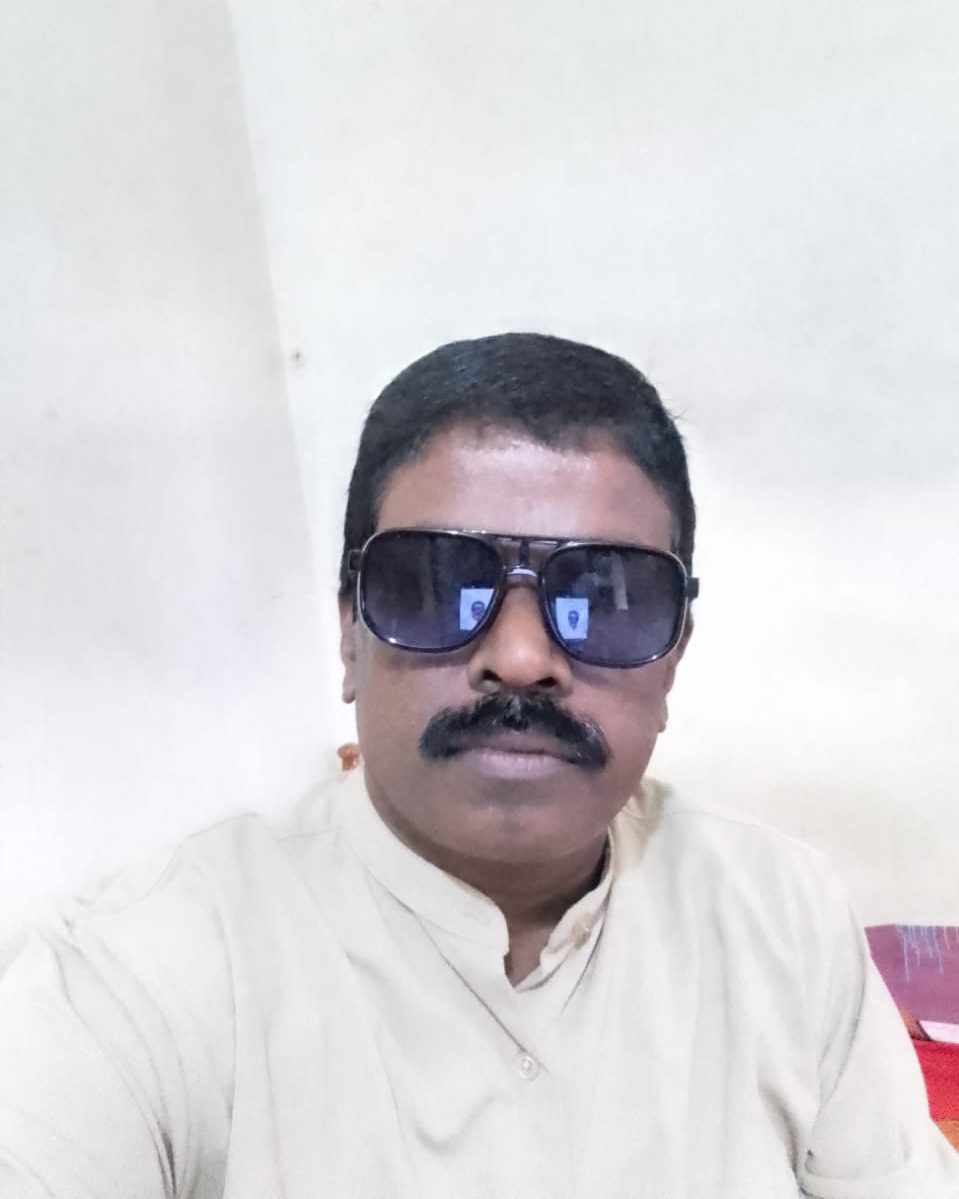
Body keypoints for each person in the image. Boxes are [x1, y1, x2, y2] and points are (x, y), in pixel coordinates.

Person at [0, 333, 956, 1198]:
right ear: (349, 635)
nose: (522, 657)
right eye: (439, 584)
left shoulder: (781, 914)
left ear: (672, 658)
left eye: (601, 598)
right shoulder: (143, 979)